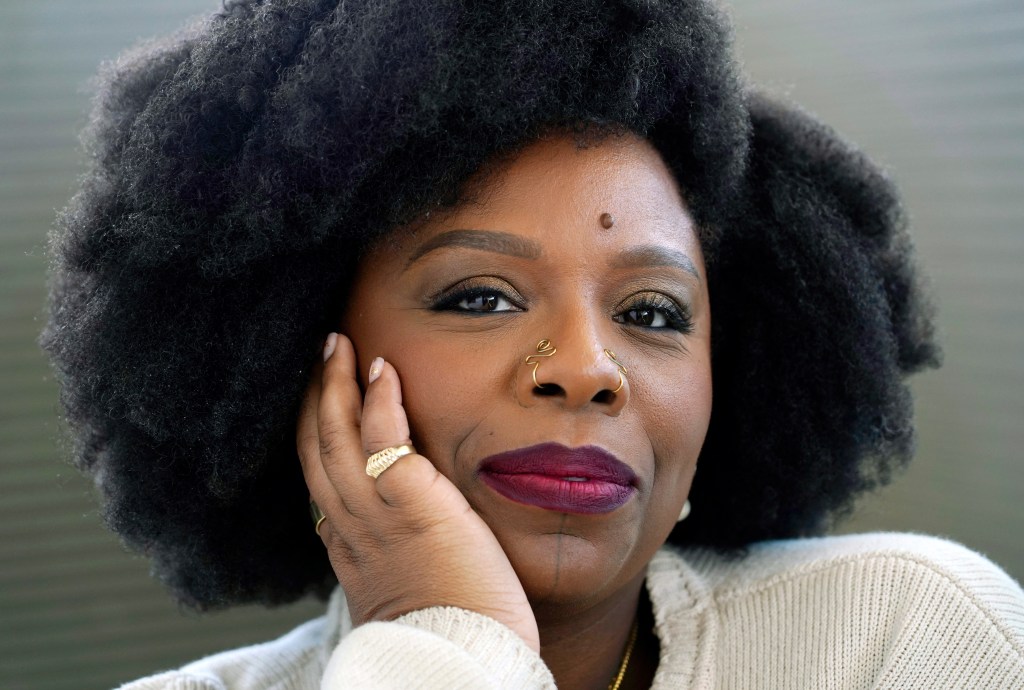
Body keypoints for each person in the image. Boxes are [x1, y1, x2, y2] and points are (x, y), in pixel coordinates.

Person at [41, 0, 1024, 688]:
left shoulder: (903, 638)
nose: (588, 371)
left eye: (652, 314)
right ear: (299, 356)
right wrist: (450, 640)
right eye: (478, 296)